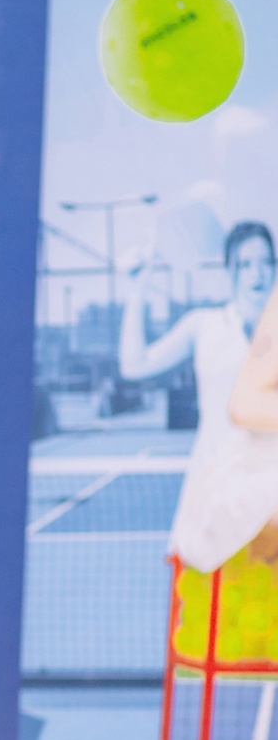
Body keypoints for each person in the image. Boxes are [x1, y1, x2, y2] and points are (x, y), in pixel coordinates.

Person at [118, 221, 278, 571]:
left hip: (268, 508)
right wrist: (136, 289)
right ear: (230, 271)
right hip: (211, 506)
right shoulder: (204, 325)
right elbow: (134, 365)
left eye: (267, 262)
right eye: (245, 264)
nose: (257, 274)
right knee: (203, 605)